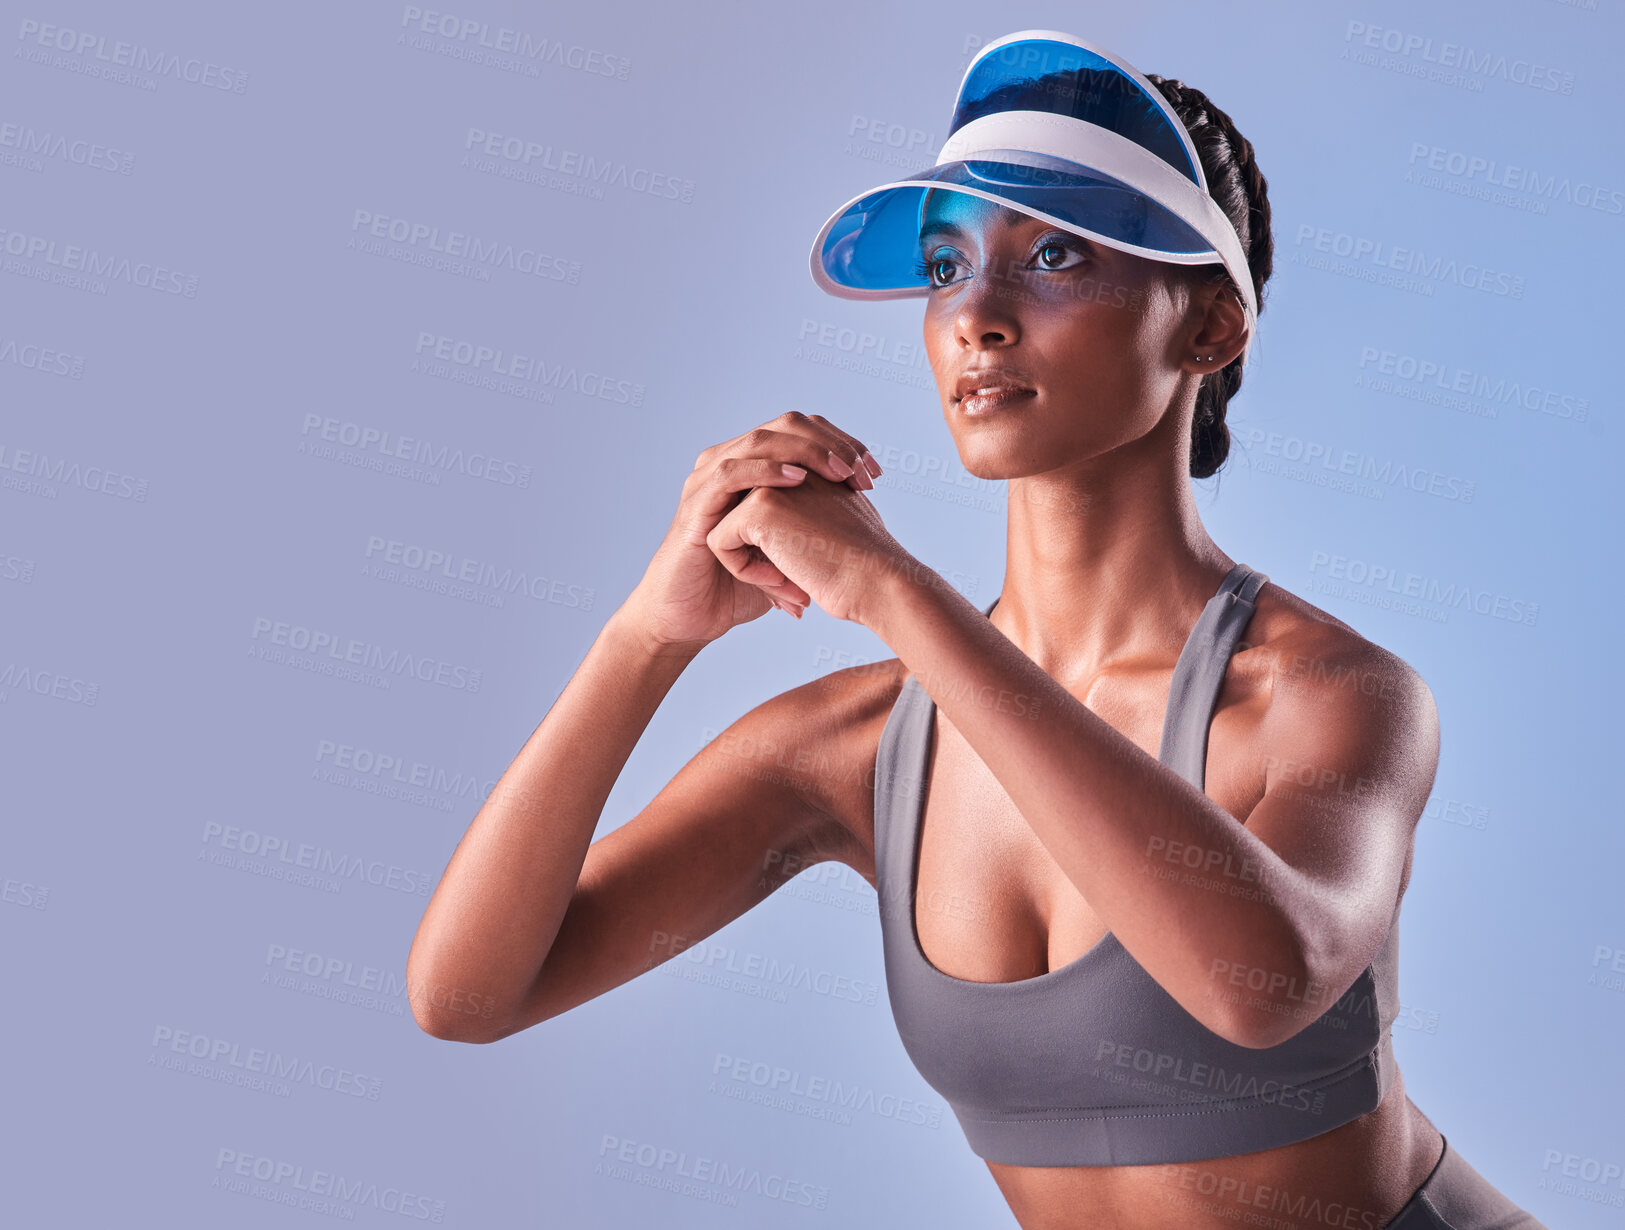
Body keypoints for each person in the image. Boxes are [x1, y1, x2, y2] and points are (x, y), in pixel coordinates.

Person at [408, 30, 1547, 1230]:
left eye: (1052, 255)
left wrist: (897, 592)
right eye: (946, 267)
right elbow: (470, 991)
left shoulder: (1324, 694)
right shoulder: (854, 748)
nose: (977, 318)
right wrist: (647, 637)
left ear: (1209, 329)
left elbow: (1258, 987)